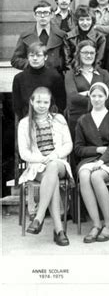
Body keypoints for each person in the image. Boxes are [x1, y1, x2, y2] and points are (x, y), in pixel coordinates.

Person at [18, 87, 74, 246]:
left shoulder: (59, 119)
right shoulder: (24, 124)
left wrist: (54, 156)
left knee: (53, 167)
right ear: (31, 102)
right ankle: (59, 230)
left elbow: (68, 144)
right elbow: (24, 153)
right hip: (37, 166)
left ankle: (39, 217)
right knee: (52, 178)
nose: (42, 105)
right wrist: (42, 159)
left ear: (50, 103)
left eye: (45, 102)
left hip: (59, 162)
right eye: (38, 101)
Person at [74, 82, 109, 243]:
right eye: (93, 95)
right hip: (89, 160)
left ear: (106, 97)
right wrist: (97, 151)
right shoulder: (83, 120)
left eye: (100, 96)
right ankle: (96, 224)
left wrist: (102, 159)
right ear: (89, 97)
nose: (97, 99)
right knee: (83, 175)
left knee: (96, 176)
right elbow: (78, 148)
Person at [64, 40, 109, 139]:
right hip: (77, 118)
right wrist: (98, 97)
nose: (89, 56)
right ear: (78, 54)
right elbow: (73, 97)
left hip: (100, 118)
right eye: (85, 53)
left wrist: (85, 94)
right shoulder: (70, 74)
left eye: (92, 53)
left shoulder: (104, 74)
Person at [11, 0, 68, 73]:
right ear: (34, 15)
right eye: (39, 13)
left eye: (46, 13)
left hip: (55, 78)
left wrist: (57, 63)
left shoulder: (61, 35)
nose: (42, 16)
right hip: (33, 77)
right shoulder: (25, 36)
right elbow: (15, 60)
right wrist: (32, 64)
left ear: (52, 15)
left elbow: (67, 59)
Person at [12, 42, 66, 118]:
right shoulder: (19, 78)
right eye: (32, 55)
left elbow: (61, 102)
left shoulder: (55, 77)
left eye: (39, 55)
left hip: (50, 120)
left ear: (46, 57)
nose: (35, 58)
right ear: (27, 57)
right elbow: (17, 105)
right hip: (27, 120)